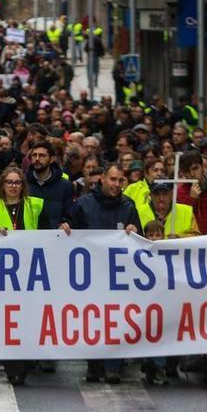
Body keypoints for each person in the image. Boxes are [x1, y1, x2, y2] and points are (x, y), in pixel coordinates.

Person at [65, 164, 142, 384]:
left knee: (116, 319)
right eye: (113, 180)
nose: (116, 185)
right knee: (93, 319)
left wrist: (135, 230)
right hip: (90, 275)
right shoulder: (84, 204)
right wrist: (65, 227)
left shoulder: (128, 206)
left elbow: (140, 239)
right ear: (102, 179)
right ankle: (94, 364)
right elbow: (70, 226)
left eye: (120, 181)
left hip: (118, 275)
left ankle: (112, 366)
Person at [0, 167, 50, 385]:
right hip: (1, 274)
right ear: (2, 185)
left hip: (31, 271)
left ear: (23, 185)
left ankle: (27, 358)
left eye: (17, 182)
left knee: (28, 318)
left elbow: (49, 235)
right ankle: (13, 367)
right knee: (7, 320)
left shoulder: (36, 205)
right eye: (9, 182)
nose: (13, 186)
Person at [25, 142, 74, 230]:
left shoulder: (65, 186)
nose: (37, 159)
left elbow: (70, 213)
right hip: (28, 237)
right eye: (34, 155)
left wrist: (65, 223)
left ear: (52, 159)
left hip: (55, 237)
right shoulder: (23, 183)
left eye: (42, 156)